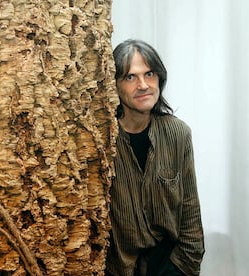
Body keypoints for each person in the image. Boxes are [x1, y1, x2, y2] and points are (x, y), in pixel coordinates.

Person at [105, 39, 205, 276]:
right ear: (115, 85)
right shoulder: (101, 142)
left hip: (171, 265)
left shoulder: (178, 133)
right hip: (116, 268)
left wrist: (184, 266)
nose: (143, 85)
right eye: (130, 77)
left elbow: (191, 212)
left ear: (160, 78)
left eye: (149, 74)